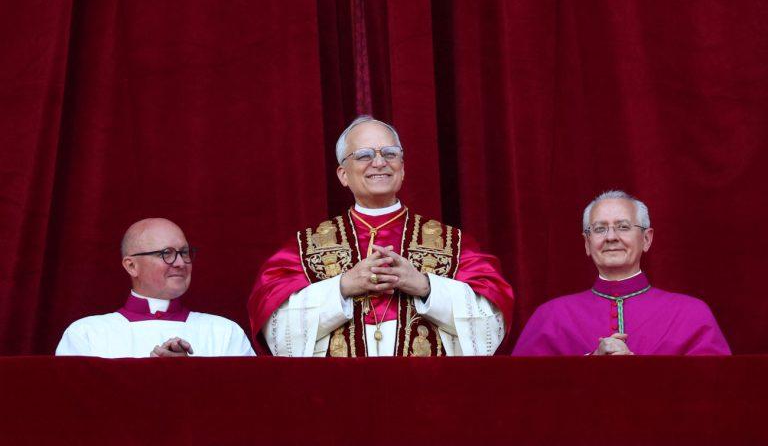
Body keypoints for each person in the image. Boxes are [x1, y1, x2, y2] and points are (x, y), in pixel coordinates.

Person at [248, 116, 514, 356]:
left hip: (427, 394)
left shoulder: (452, 244)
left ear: (402, 167)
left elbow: (492, 324)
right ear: (343, 175)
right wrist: (342, 287)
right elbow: (276, 332)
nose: (379, 162)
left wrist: (425, 286)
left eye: (390, 153)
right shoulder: (305, 247)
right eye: (364, 155)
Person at [513, 190, 730, 356]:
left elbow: (716, 391)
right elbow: (521, 391)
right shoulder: (551, 317)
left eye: (623, 227)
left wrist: (638, 370)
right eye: (599, 229)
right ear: (587, 243)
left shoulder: (691, 315)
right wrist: (588, 362)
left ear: (646, 239)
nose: (611, 237)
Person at [56, 218, 255, 358]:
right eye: (166, 253)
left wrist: (191, 373)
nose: (180, 263)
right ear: (131, 266)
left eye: (184, 252)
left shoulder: (224, 332)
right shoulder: (86, 335)